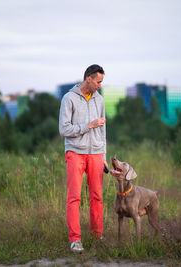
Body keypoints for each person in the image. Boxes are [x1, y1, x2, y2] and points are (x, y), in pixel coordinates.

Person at [59, 64, 109, 252]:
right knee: (74, 197)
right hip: (75, 153)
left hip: (96, 153)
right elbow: (64, 129)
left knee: (97, 196)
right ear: (88, 78)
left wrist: (103, 155)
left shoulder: (100, 100)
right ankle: (75, 240)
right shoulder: (69, 98)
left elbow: (103, 130)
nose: (100, 85)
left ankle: (97, 237)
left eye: (101, 82)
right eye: (98, 81)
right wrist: (88, 125)